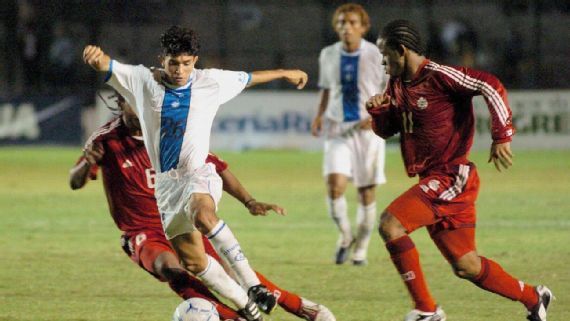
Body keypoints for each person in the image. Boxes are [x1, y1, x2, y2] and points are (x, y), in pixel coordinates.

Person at [82, 25, 308, 321]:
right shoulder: (141, 80)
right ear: (161, 59)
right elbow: (108, 66)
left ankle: (253, 285)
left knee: (203, 215)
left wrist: (284, 72)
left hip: (198, 174)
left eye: (186, 63)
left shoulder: (210, 81)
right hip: (166, 187)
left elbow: (250, 78)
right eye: (173, 63)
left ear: (195, 61)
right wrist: (95, 57)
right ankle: (247, 306)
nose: (179, 70)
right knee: (194, 262)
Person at [69, 92, 336, 321]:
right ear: (119, 102)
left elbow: (216, 167)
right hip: (143, 230)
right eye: (131, 103)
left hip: (180, 220)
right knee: (169, 267)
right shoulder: (106, 139)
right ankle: (236, 317)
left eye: (145, 104)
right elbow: (75, 181)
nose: (139, 111)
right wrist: (83, 166)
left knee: (234, 274)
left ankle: (305, 308)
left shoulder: (168, 133)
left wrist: (250, 201)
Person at [366, 19, 553, 321]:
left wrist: (502, 134)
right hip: (435, 180)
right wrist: (378, 111)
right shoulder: (398, 85)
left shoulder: (439, 76)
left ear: (401, 50)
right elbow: (387, 130)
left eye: (384, 55)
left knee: (391, 224)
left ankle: (427, 310)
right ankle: (534, 297)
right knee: (467, 266)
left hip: (451, 176)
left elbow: (489, 85)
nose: (383, 63)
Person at [311, 3, 387, 265]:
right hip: (337, 128)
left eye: (353, 22)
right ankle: (345, 236)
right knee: (335, 185)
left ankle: (360, 250)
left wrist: (377, 115)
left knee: (366, 193)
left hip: (368, 132)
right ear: (337, 27)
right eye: (342, 23)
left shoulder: (377, 54)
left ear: (363, 27)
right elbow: (326, 88)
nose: (347, 27)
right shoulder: (328, 54)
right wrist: (319, 115)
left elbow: (390, 91)